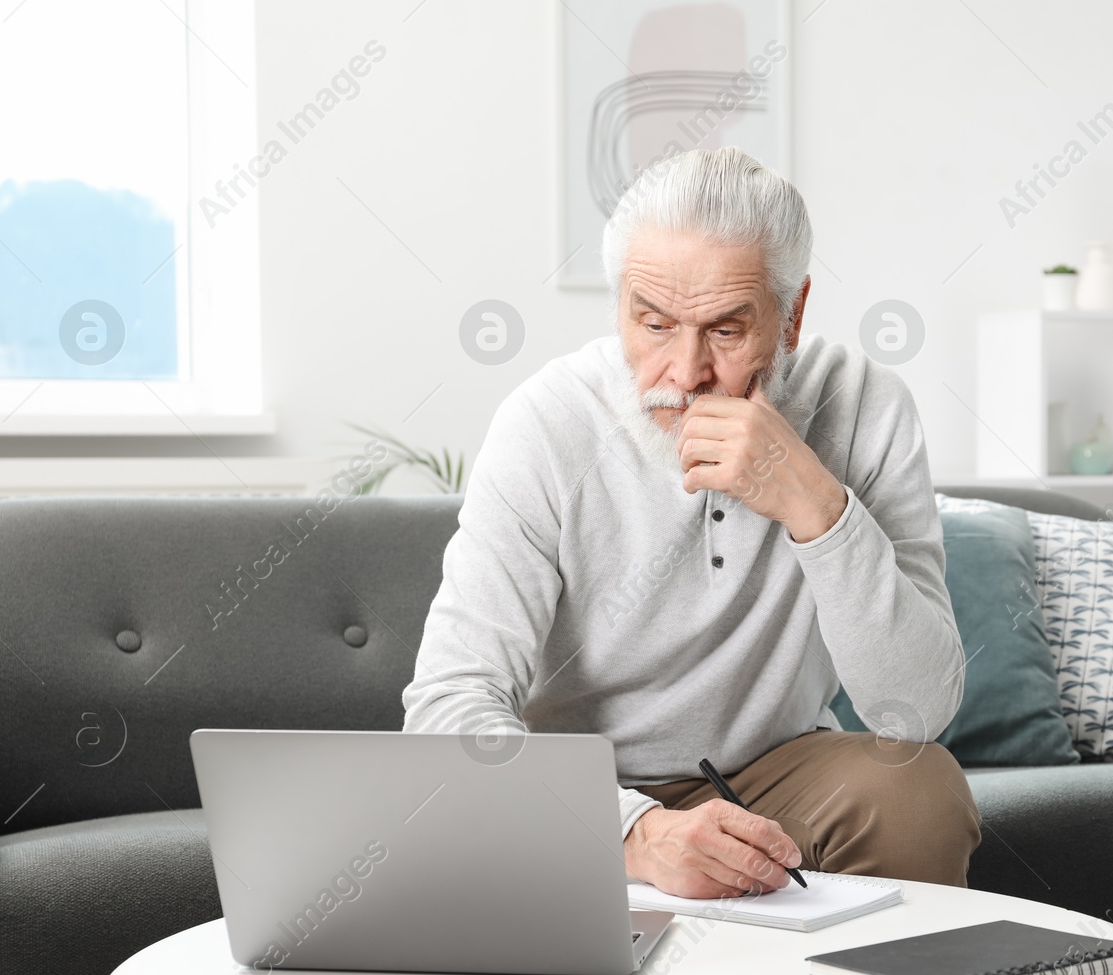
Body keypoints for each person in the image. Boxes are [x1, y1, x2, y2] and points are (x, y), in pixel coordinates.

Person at [403, 146, 980, 898]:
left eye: (727, 332)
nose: (684, 372)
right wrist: (633, 833)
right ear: (620, 311)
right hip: (581, 786)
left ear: (793, 314)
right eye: (653, 324)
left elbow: (918, 710)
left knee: (918, 790)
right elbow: (449, 703)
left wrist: (815, 505)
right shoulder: (546, 423)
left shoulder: (866, 406)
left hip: (776, 774)